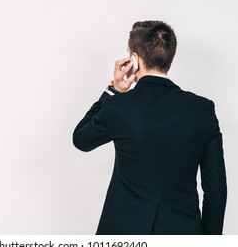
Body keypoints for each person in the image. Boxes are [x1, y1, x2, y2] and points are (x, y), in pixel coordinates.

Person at [72, 20, 227, 235]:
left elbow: (81, 139)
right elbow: (216, 191)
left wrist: (113, 89)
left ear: (134, 59)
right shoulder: (203, 110)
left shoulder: (118, 107)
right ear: (169, 58)